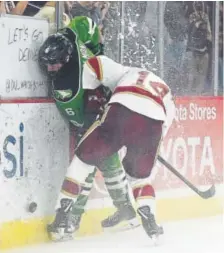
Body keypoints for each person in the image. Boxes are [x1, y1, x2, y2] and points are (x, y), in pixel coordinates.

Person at [39, 27, 175, 241]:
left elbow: (94, 64)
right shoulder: (166, 92)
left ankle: (62, 216)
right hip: (153, 124)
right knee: (140, 177)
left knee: (82, 161)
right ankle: (150, 219)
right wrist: (148, 148)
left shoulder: (125, 71)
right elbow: (162, 127)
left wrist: (94, 101)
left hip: (121, 110)